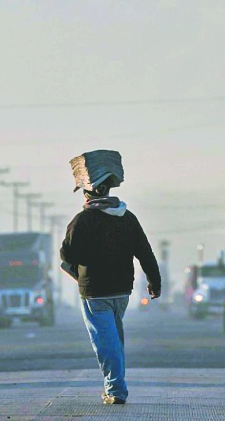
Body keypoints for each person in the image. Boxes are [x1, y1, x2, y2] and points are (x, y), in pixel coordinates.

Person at [61, 150, 161, 405]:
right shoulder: (127, 218)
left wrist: (79, 269)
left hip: (95, 293)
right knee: (114, 339)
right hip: (121, 291)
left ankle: (116, 390)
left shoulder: (82, 221)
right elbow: (145, 252)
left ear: (87, 193)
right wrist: (155, 282)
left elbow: (67, 254)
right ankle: (114, 385)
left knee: (105, 344)